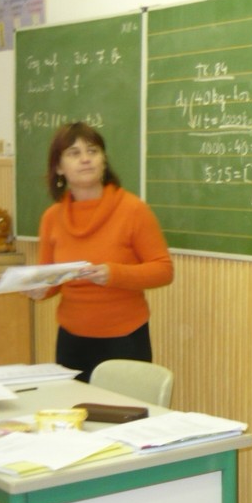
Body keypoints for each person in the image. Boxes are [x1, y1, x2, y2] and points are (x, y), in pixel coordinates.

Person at [27, 122, 173, 382]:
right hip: (71, 340)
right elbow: (51, 279)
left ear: (103, 160)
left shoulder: (133, 210)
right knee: (74, 407)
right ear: (59, 167)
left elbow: (163, 270)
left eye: (92, 151)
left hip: (124, 338)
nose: (85, 159)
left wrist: (113, 274)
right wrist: (40, 289)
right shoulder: (51, 217)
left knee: (122, 408)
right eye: (74, 153)